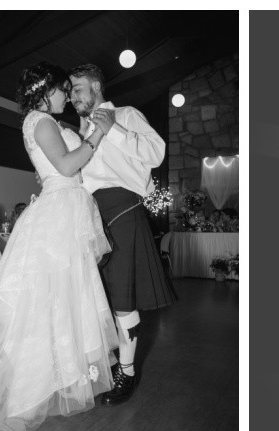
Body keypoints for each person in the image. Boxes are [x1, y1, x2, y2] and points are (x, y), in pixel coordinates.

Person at [0, 62, 119, 431]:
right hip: (59, 216)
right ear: (46, 91)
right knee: (49, 301)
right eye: (62, 90)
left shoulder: (47, 123)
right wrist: (98, 135)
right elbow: (67, 164)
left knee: (61, 299)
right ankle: (30, 387)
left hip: (64, 212)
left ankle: (59, 375)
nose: (67, 96)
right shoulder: (41, 122)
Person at [69, 63, 177, 405]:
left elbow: (156, 153)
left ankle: (127, 373)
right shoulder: (81, 129)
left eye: (78, 89)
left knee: (123, 297)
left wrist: (113, 129)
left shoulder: (128, 114)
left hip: (124, 209)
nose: (73, 97)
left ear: (97, 87)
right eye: (70, 91)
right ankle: (105, 364)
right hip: (89, 215)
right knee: (96, 297)